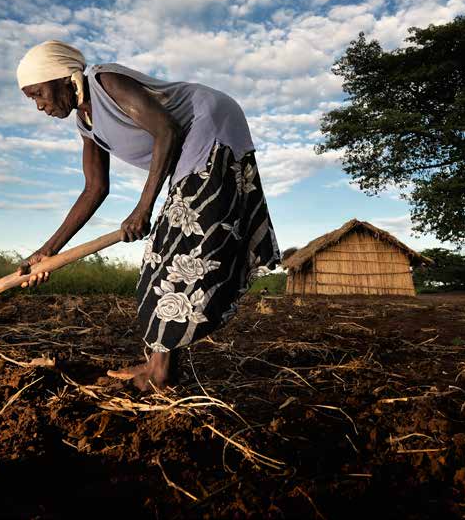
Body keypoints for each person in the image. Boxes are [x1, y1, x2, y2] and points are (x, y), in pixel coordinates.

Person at [16, 40, 280, 391]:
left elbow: (167, 130)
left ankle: (160, 372)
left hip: (211, 125)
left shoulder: (105, 81)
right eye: (32, 99)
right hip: (189, 150)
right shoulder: (86, 123)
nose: (39, 105)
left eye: (38, 93)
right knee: (162, 261)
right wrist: (47, 251)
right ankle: (161, 367)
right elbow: (94, 189)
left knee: (172, 257)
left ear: (62, 77)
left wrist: (144, 207)